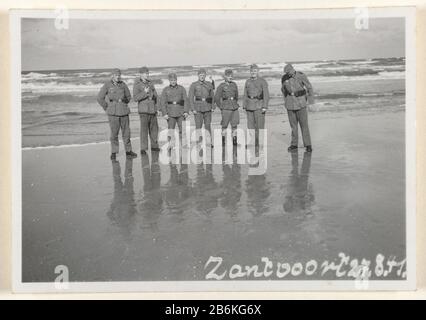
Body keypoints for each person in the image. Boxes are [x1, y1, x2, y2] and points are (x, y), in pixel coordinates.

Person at [97, 68, 137, 160]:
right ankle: (114, 152)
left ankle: (128, 151)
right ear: (112, 76)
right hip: (113, 113)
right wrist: (106, 107)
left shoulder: (123, 84)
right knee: (114, 134)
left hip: (123, 111)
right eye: (116, 75)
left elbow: (128, 97)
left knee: (126, 133)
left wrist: (123, 103)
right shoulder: (107, 85)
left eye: (119, 75)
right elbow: (99, 98)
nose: (118, 77)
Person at [281, 63, 314, 153]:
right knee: (293, 126)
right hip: (290, 105)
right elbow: (283, 91)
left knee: (304, 126)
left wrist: (311, 102)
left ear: (293, 69)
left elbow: (309, 88)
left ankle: (308, 145)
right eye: (287, 73)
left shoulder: (301, 76)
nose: (288, 74)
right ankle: (294, 144)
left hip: (301, 104)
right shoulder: (284, 78)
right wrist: (286, 102)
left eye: (289, 72)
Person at [133, 66, 160, 155]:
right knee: (144, 130)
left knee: (154, 129)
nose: (147, 75)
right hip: (143, 111)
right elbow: (135, 98)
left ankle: (154, 146)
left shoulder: (151, 84)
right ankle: (143, 148)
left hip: (152, 110)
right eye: (146, 73)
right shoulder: (137, 85)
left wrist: (158, 108)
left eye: (148, 73)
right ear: (141, 74)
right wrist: (144, 92)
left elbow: (156, 96)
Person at [243, 64, 269, 147]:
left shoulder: (262, 81)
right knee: (250, 126)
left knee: (259, 126)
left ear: (258, 71)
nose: (253, 72)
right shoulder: (247, 81)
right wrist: (244, 105)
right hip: (249, 106)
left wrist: (265, 106)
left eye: (255, 71)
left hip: (259, 106)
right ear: (250, 72)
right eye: (252, 71)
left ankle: (260, 143)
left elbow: (266, 95)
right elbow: (245, 94)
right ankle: (252, 142)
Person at [160, 73, 189, 148]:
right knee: (171, 130)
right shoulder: (165, 90)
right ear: (169, 81)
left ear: (176, 80)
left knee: (182, 129)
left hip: (181, 112)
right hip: (170, 113)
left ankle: (184, 144)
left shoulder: (181, 88)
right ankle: (170, 144)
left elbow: (186, 100)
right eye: (171, 80)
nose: (173, 81)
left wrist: (186, 111)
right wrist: (164, 113)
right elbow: (162, 102)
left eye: (174, 80)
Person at [188, 68, 215, 147]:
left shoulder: (209, 84)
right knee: (198, 126)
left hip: (207, 107)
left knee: (207, 126)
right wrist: (192, 109)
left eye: (203, 75)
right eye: (200, 75)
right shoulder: (194, 85)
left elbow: (212, 96)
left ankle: (209, 142)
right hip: (198, 108)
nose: (202, 77)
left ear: (205, 76)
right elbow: (190, 97)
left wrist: (213, 106)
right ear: (198, 76)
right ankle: (199, 143)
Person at [214, 69, 240, 146]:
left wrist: (234, 103)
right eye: (228, 76)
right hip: (225, 108)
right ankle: (223, 142)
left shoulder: (234, 84)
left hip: (234, 107)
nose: (230, 77)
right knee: (224, 125)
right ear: (225, 76)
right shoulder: (221, 86)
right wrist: (221, 107)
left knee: (234, 125)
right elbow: (216, 98)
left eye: (231, 76)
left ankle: (234, 142)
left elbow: (236, 96)